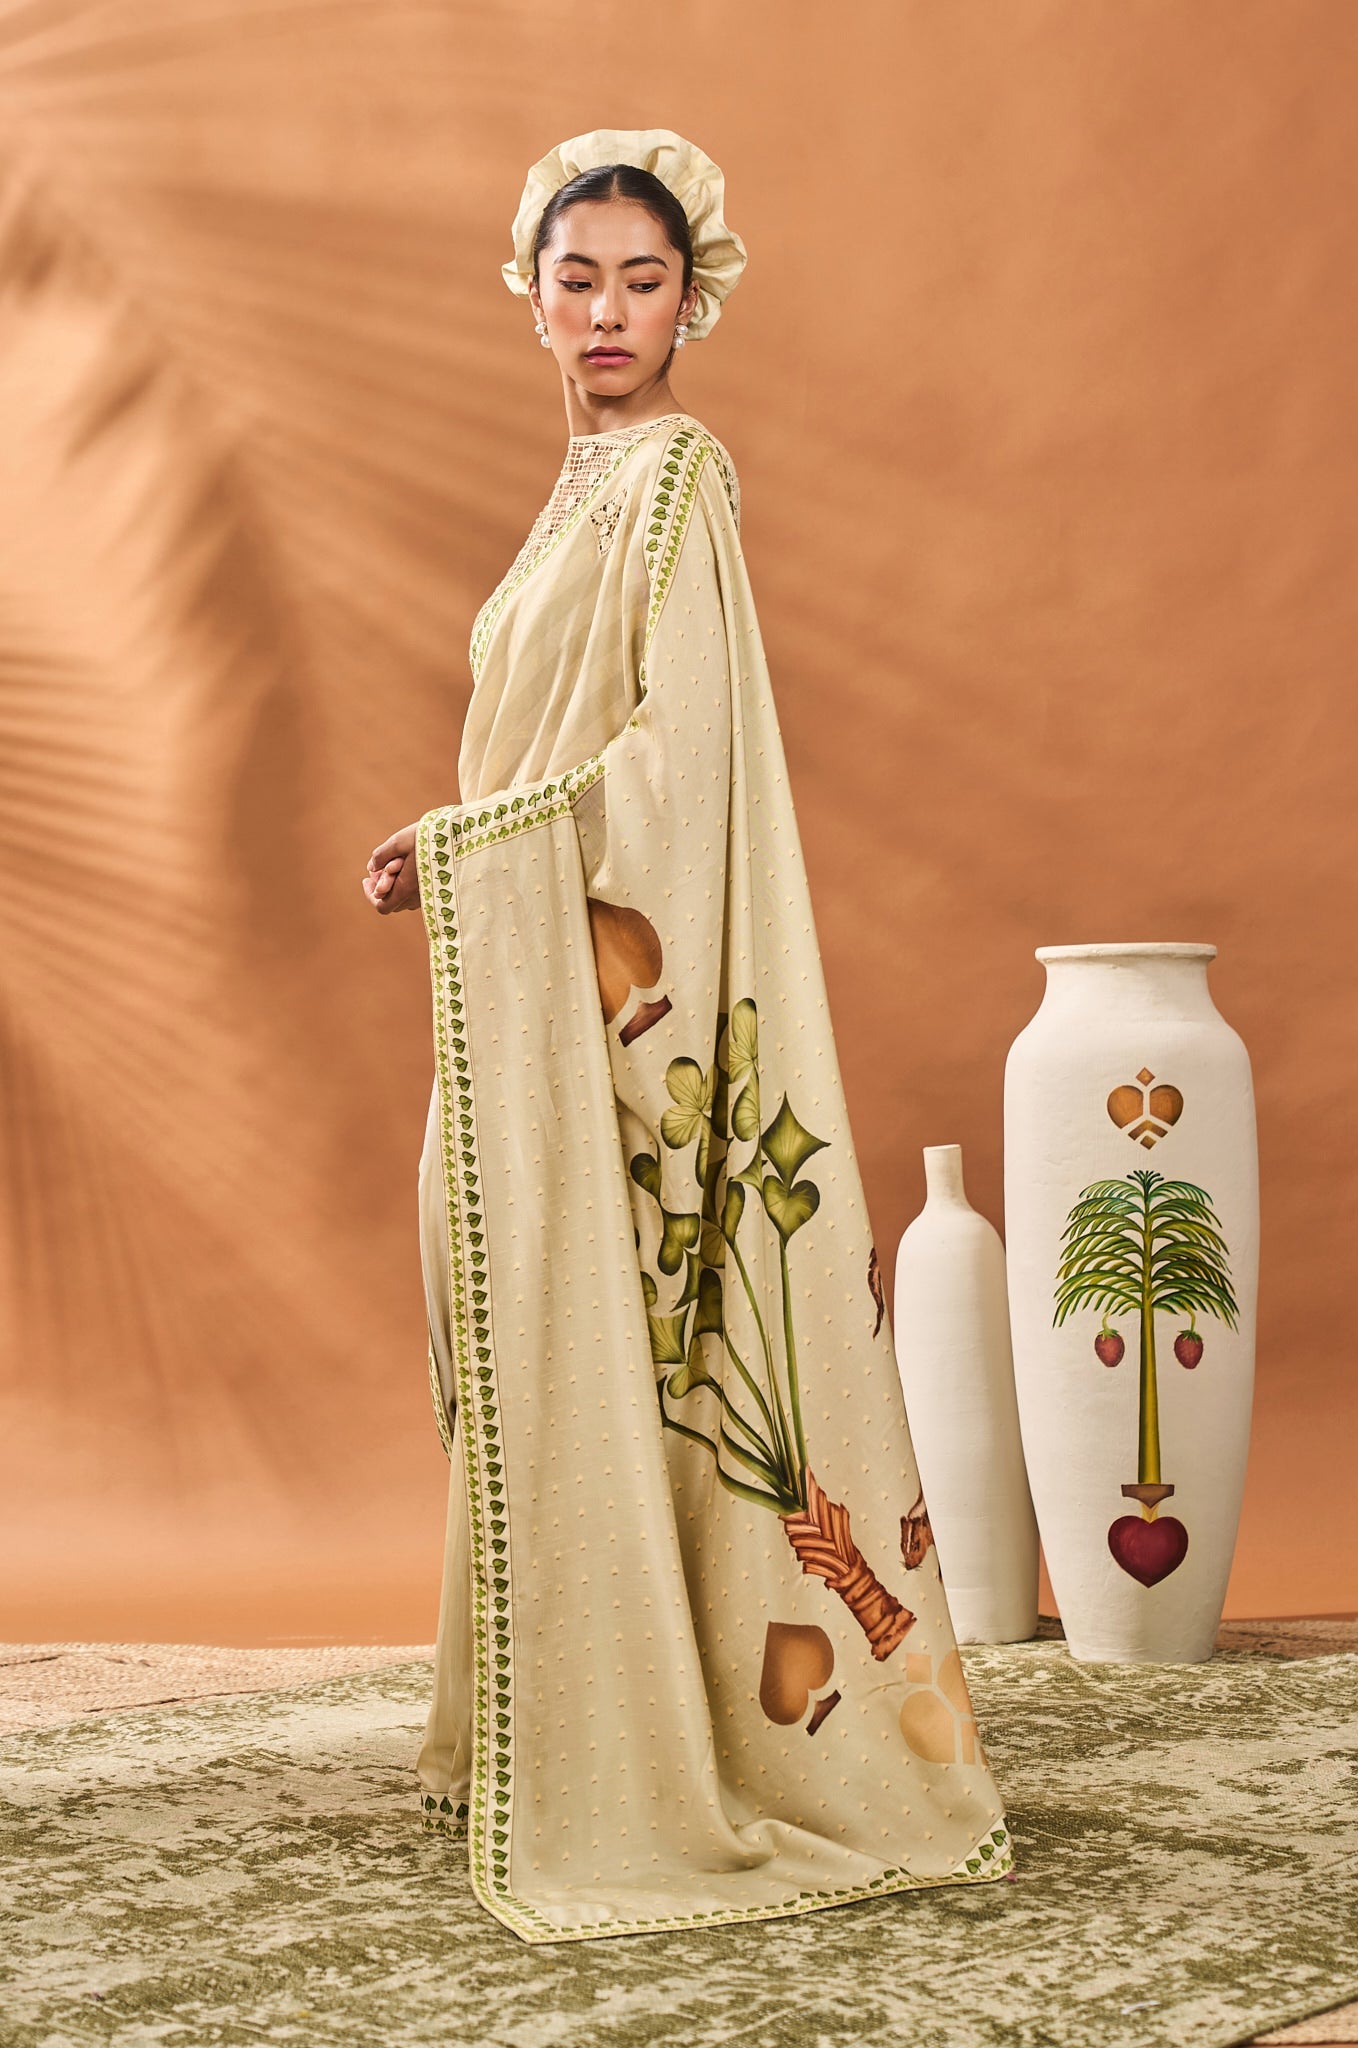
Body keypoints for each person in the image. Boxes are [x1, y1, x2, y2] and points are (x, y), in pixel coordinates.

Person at [363, 127, 1012, 1946]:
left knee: (626, 1313)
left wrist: (466, 843)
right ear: (531, 296)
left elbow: (678, 761)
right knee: (508, 1289)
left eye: (640, 282)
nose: (605, 313)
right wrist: (470, 849)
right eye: (575, 279)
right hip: (525, 969)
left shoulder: (676, 480)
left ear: (689, 299)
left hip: (602, 964)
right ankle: (552, 1722)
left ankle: (674, 1751)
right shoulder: (576, 491)